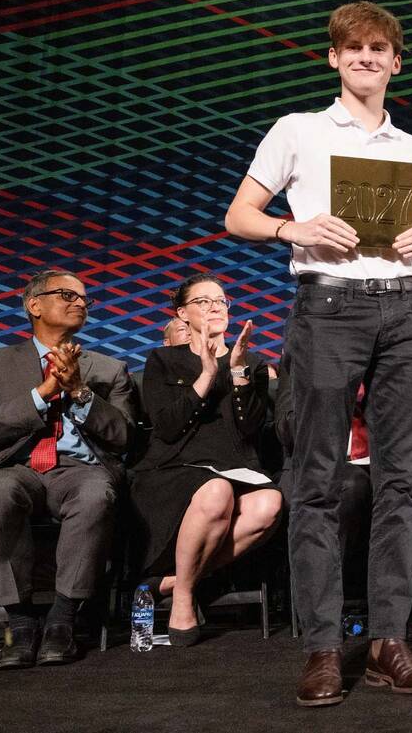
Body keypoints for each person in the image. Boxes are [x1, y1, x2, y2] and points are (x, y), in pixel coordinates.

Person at [224, 1, 412, 705]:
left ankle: (387, 641)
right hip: (327, 306)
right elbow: (239, 216)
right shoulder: (298, 131)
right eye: (354, 48)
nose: (367, 58)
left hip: (406, 309)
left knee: (400, 482)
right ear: (334, 58)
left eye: (380, 48)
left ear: (396, 62)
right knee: (316, 479)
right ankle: (322, 645)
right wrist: (297, 229)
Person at [0, 270, 135, 668]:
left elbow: (123, 437)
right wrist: (42, 394)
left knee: (95, 495)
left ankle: (61, 620)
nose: (80, 303)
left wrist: (78, 392)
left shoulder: (108, 369)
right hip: (15, 468)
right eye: (67, 294)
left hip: (79, 469)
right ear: (34, 305)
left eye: (85, 298)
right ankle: (19, 624)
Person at [130, 275, 283, 646]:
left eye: (221, 301)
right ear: (181, 313)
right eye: (204, 301)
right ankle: (183, 599)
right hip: (175, 470)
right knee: (216, 492)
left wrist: (237, 372)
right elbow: (166, 428)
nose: (216, 307)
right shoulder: (163, 360)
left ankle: (172, 583)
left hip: (236, 468)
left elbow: (249, 432)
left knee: (269, 503)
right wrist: (207, 375)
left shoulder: (252, 363)